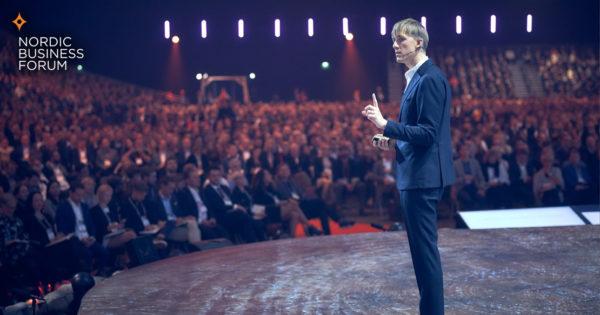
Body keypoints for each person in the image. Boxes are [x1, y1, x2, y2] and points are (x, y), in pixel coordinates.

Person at [362, 18, 455, 315]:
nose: (395, 46)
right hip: (416, 175)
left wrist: (387, 125)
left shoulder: (429, 79)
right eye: (394, 41)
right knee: (422, 254)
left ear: (419, 42)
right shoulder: (417, 78)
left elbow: (428, 133)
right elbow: (420, 134)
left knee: (425, 255)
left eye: (401, 40)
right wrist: (392, 142)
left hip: (422, 179)